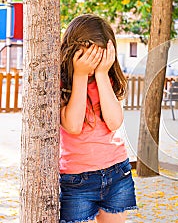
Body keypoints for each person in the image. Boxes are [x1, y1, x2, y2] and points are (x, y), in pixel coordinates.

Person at [59, 14, 137, 223]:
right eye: (89, 55)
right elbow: (73, 126)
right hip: (77, 177)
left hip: (115, 171)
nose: (94, 62)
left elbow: (114, 122)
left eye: (100, 56)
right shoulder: (62, 81)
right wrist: (80, 75)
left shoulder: (107, 78)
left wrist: (102, 74)